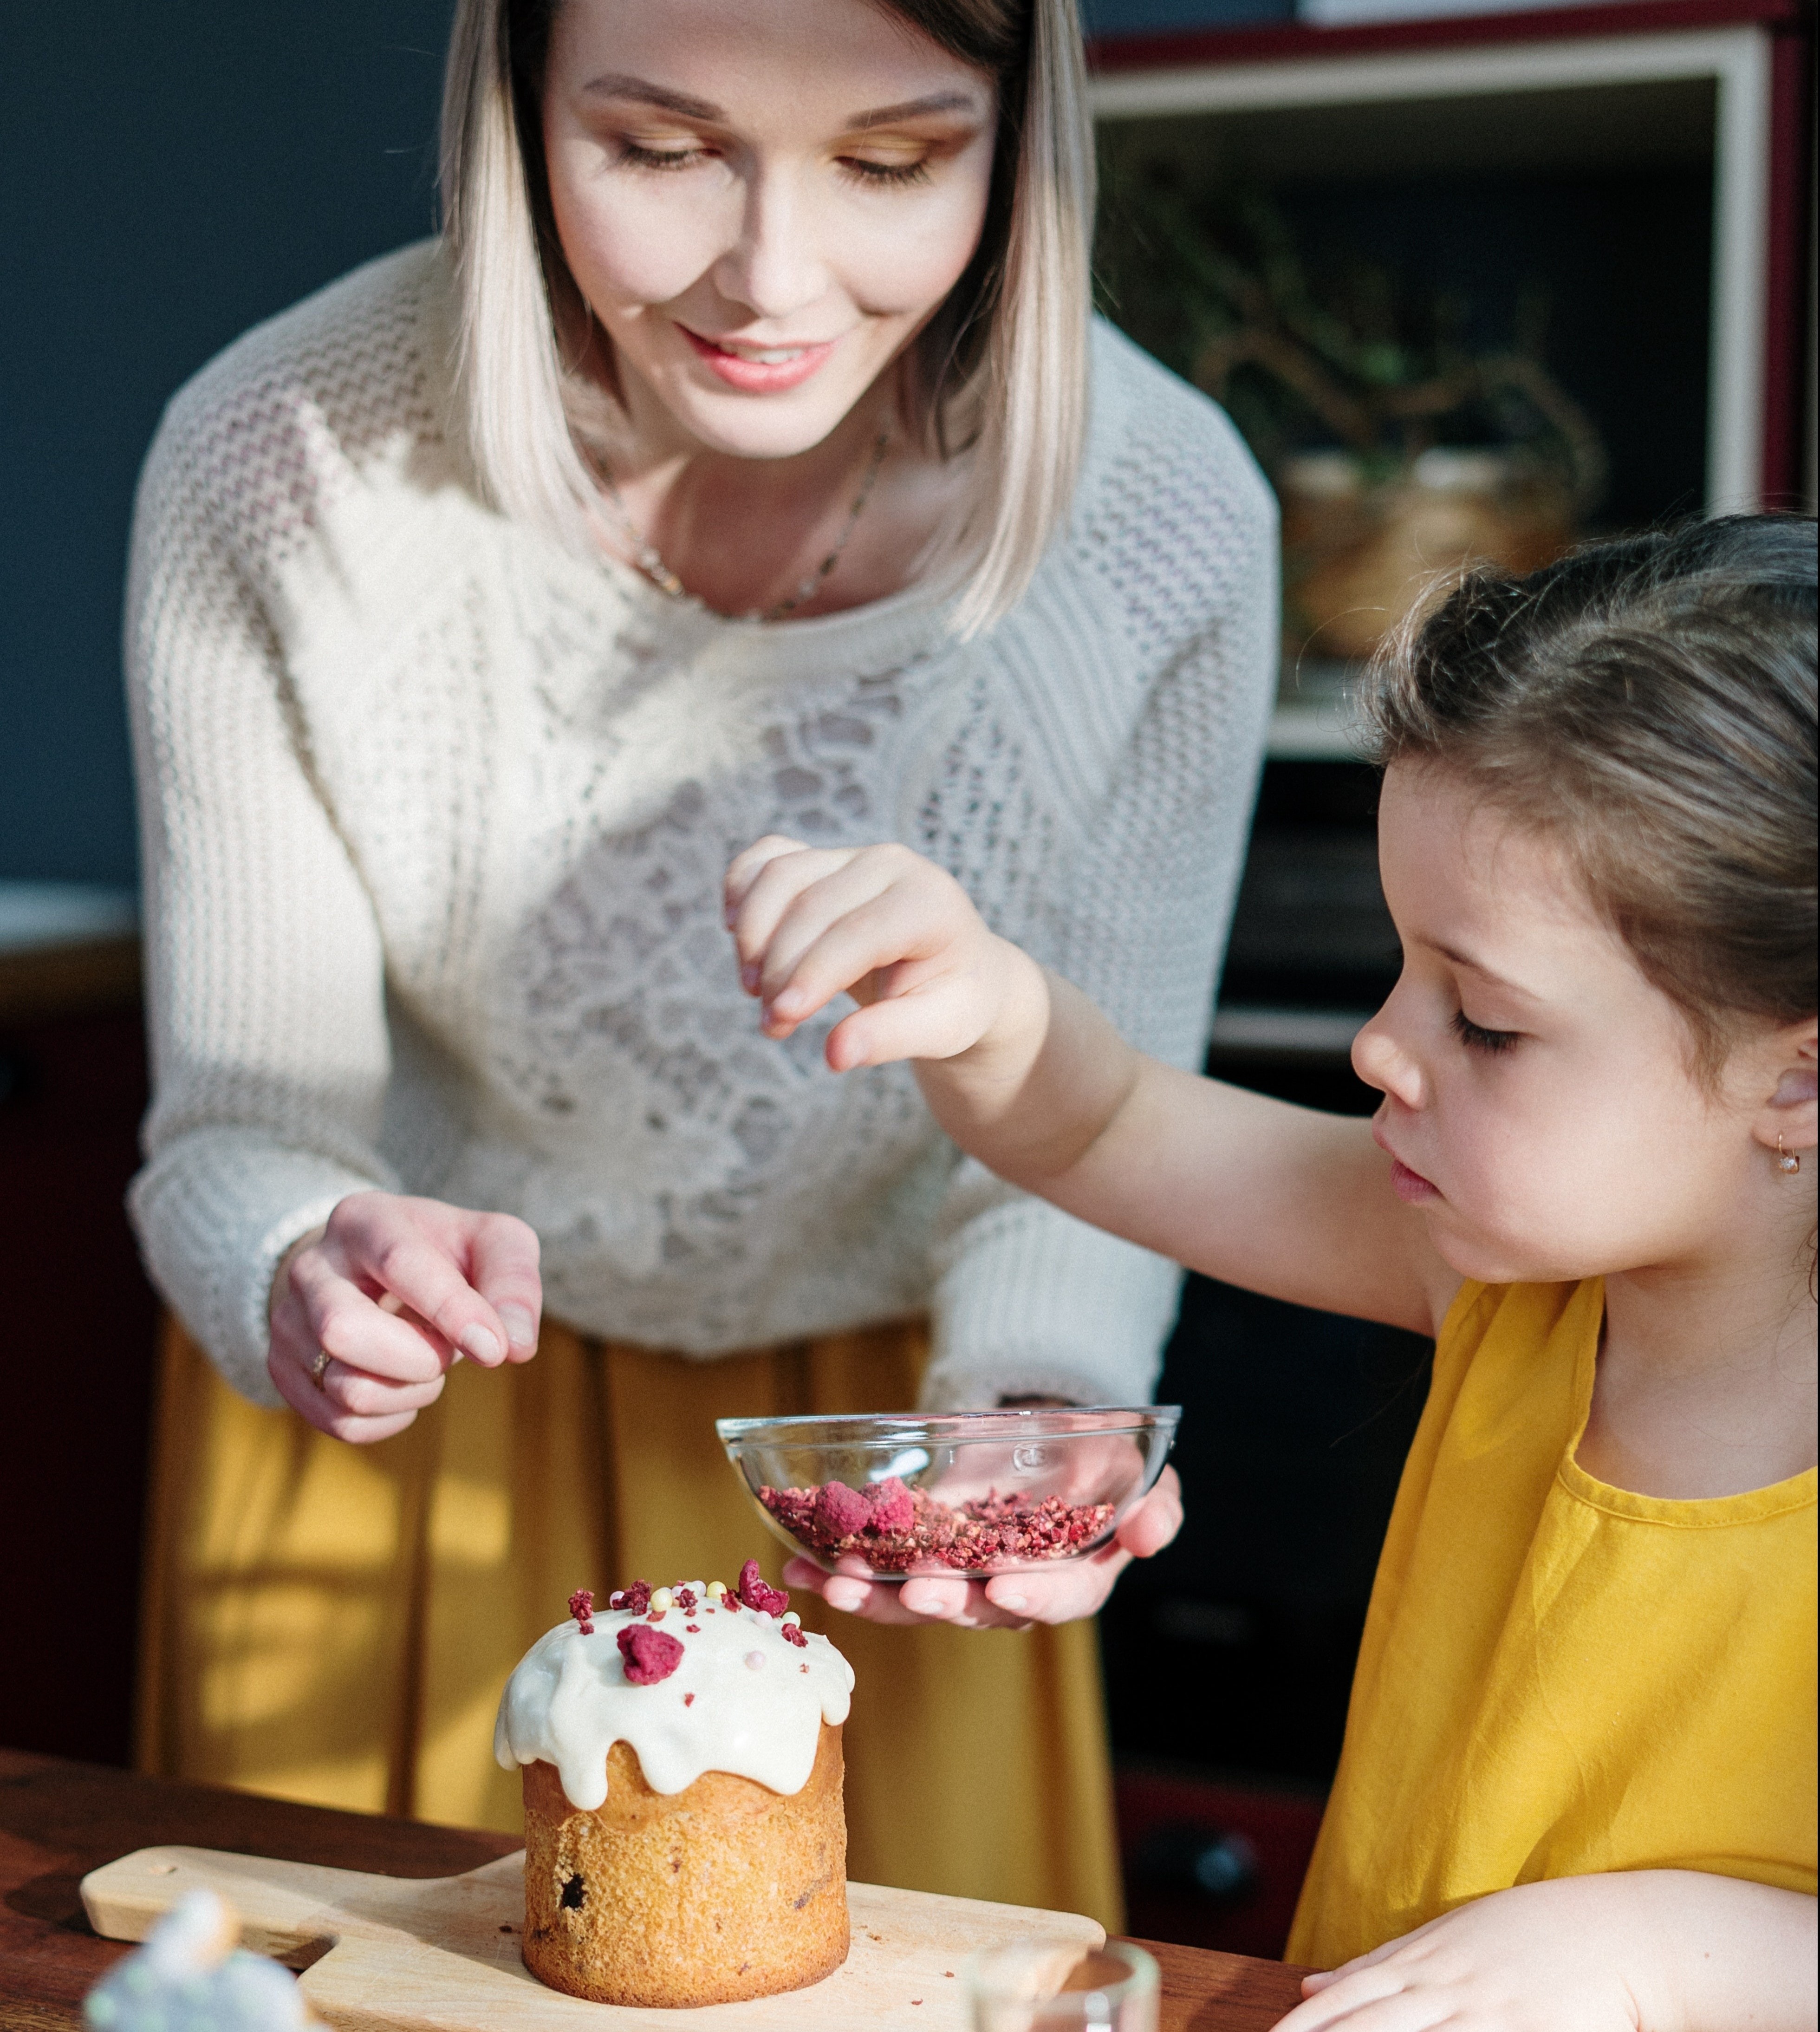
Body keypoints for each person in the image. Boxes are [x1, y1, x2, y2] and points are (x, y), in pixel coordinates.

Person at [125, 0, 1272, 1921]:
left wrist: (1032, 1415)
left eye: (893, 164)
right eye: (658, 152)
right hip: (412, 1448)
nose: (770, 276)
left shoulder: (1162, 521)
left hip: (886, 1466)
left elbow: (1095, 1121)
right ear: (509, 105)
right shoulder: (281, 460)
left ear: (1015, 139)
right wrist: (306, 1257)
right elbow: (234, 1131)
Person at [727, 515, 1818, 2021]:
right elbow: (1113, 1124)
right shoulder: (1501, 1285)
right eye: (1402, 970)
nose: (1381, 1045)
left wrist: (1647, 1956)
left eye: (1484, 1021)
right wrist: (983, 1008)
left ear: (1800, 1081)